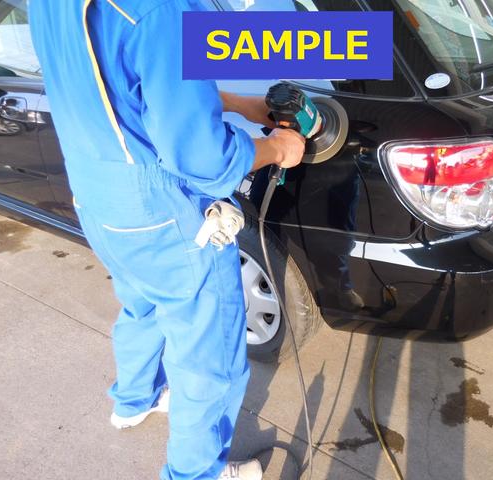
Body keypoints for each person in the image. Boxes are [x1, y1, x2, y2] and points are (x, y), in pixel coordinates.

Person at [28, 1, 305, 479]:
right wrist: (277, 147)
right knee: (207, 359)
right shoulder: (165, 9)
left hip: (97, 196)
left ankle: (135, 400)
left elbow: (123, 80)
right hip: (161, 215)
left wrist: (232, 102)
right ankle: (195, 473)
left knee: (142, 304)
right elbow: (203, 159)